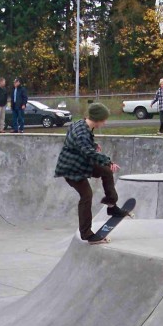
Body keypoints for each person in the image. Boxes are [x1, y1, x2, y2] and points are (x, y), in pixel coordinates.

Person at [54, 103, 129, 244]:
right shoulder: (81, 133)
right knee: (86, 195)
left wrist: (93, 145)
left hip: (81, 162)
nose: (105, 123)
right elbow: (87, 151)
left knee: (106, 172)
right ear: (97, 119)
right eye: (104, 120)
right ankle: (87, 234)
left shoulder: (82, 124)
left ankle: (112, 206)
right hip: (71, 168)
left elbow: (80, 144)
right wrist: (108, 161)